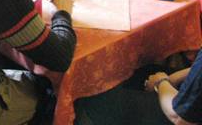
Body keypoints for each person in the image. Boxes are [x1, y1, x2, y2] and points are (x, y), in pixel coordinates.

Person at [74, 49, 202, 125]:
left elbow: (180, 118)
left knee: (95, 100)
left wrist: (161, 82)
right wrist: (171, 79)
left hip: (179, 117)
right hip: (185, 104)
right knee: (143, 72)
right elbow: (196, 69)